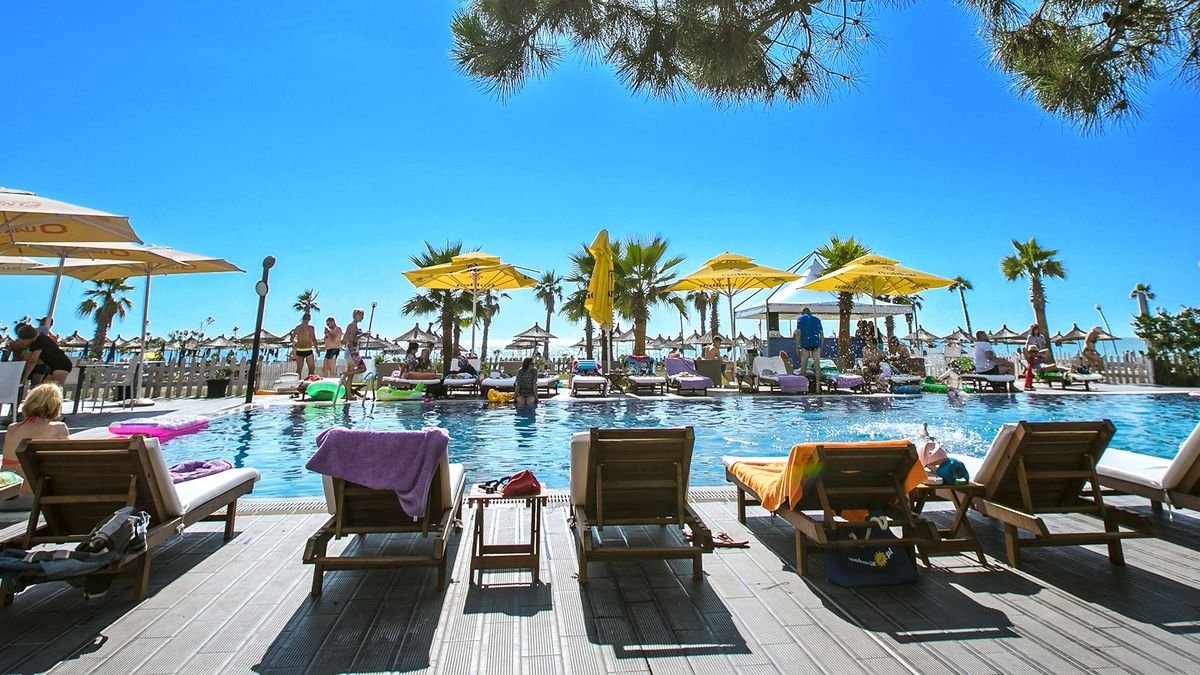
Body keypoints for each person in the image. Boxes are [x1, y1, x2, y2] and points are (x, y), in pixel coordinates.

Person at [1, 384, 70, 509]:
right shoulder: (58, 428)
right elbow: (68, 461)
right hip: (35, 496)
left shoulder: (12, 428)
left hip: (6, 496)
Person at [5, 324, 72, 387]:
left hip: (62, 365)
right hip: (53, 366)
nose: (23, 343)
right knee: (45, 389)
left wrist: (23, 380)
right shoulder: (34, 343)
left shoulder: (40, 340)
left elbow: (33, 361)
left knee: (54, 389)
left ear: (28, 338)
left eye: (24, 341)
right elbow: (28, 360)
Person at [794, 307, 823, 392]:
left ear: (802, 313)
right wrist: (820, 346)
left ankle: (802, 387)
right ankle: (817, 387)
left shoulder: (800, 319)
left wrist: (797, 347)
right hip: (816, 344)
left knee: (804, 366)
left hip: (805, 344)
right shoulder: (817, 319)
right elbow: (822, 335)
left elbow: (798, 333)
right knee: (817, 366)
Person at [341, 308, 367, 399]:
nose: (362, 318)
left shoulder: (353, 326)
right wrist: (363, 335)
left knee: (351, 375)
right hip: (352, 351)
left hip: (350, 351)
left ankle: (349, 395)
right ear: (356, 315)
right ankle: (344, 374)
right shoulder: (352, 326)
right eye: (361, 316)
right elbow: (352, 339)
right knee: (363, 368)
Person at [1023, 323, 1051, 390]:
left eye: (1037, 330)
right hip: (1033, 351)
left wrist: (1041, 351)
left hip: (1039, 351)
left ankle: (1042, 358)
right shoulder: (1030, 337)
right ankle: (1040, 357)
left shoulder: (1041, 337)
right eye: (1035, 330)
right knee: (1031, 350)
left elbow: (1044, 346)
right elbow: (1027, 347)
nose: (1036, 331)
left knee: (1047, 350)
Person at [291, 313, 318, 379]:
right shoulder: (310, 328)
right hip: (308, 349)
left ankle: (297, 383)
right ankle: (309, 382)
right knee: (311, 370)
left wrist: (295, 344)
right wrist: (317, 349)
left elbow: (291, 338)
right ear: (310, 319)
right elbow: (314, 339)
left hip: (300, 349)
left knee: (299, 370)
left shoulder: (298, 327)